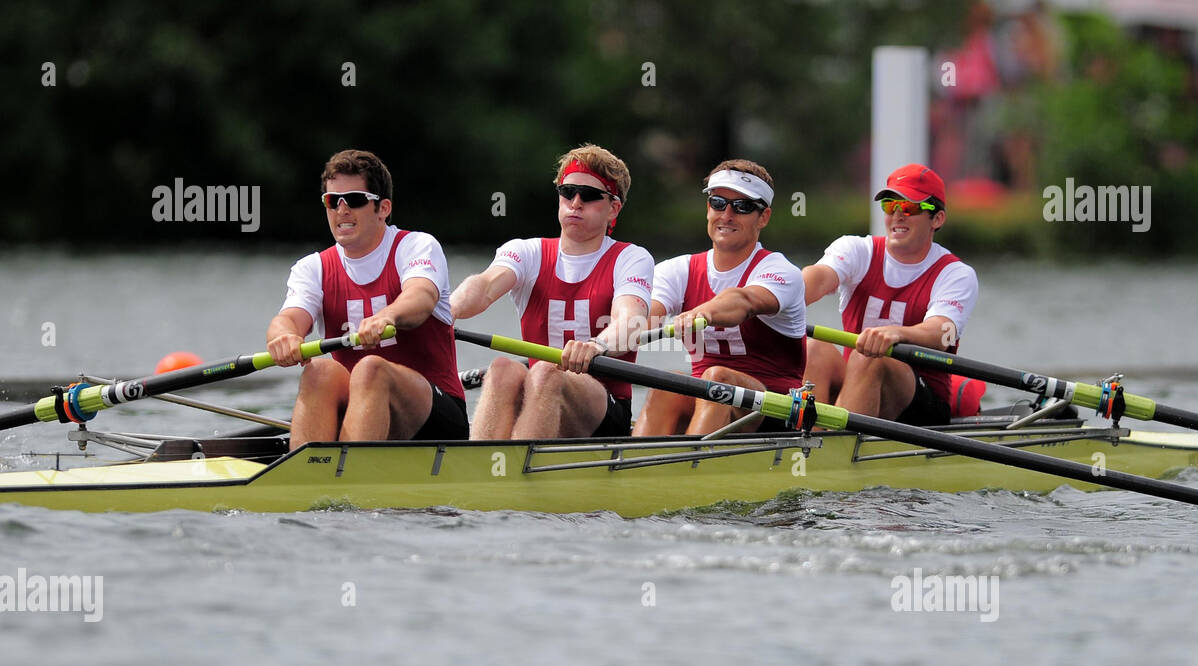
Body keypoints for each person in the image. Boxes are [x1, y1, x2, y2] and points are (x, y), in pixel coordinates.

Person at [450, 143, 653, 439]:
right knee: (503, 368)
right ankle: (483, 470)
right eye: (568, 192)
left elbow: (630, 323)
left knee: (546, 372)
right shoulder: (526, 251)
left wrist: (597, 345)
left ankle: (519, 476)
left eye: (591, 195)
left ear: (614, 208)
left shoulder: (631, 258)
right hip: (540, 394)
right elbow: (483, 287)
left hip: (604, 409)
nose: (576, 202)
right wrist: (447, 310)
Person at [266, 149, 467, 447]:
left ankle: (347, 480)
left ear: (383, 208)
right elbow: (288, 320)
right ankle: (307, 478)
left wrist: (389, 315)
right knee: (319, 370)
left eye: (356, 200)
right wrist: (284, 337)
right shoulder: (313, 268)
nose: (342, 210)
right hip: (359, 415)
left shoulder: (416, 247)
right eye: (333, 201)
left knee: (371, 369)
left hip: (436, 418)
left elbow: (421, 297)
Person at [633, 159, 806, 436]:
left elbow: (744, 302)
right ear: (708, 209)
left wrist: (701, 313)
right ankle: (635, 469)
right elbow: (642, 315)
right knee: (668, 384)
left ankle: (690, 465)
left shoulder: (780, 271)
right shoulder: (677, 270)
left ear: (764, 217)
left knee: (718, 377)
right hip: (709, 403)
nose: (727, 215)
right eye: (718, 203)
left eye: (742, 207)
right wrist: (615, 333)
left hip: (775, 411)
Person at [801, 163, 977, 425]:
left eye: (909, 207)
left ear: (937, 219)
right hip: (858, 383)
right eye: (890, 206)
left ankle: (830, 452)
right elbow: (816, 281)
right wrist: (774, 298)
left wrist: (897, 333)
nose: (897, 215)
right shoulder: (856, 249)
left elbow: (942, 333)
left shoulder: (956, 273)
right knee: (814, 348)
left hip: (922, 405)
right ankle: (808, 440)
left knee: (872, 357)